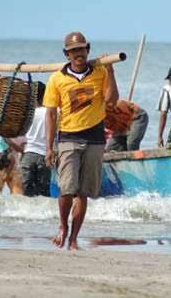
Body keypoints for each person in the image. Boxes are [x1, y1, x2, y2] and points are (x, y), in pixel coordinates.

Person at [44, 31, 118, 250]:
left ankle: (74, 238)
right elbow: (50, 114)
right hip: (68, 138)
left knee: (83, 192)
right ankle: (62, 226)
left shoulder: (100, 72)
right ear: (67, 54)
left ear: (88, 50)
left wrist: (111, 71)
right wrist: (49, 147)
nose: (78, 54)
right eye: (73, 50)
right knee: (66, 189)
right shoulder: (57, 79)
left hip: (95, 139)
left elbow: (112, 100)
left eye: (81, 49)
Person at [20, 81, 50, 197]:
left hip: (28, 155)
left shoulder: (27, 114)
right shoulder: (52, 113)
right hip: (45, 155)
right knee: (44, 193)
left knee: (26, 194)